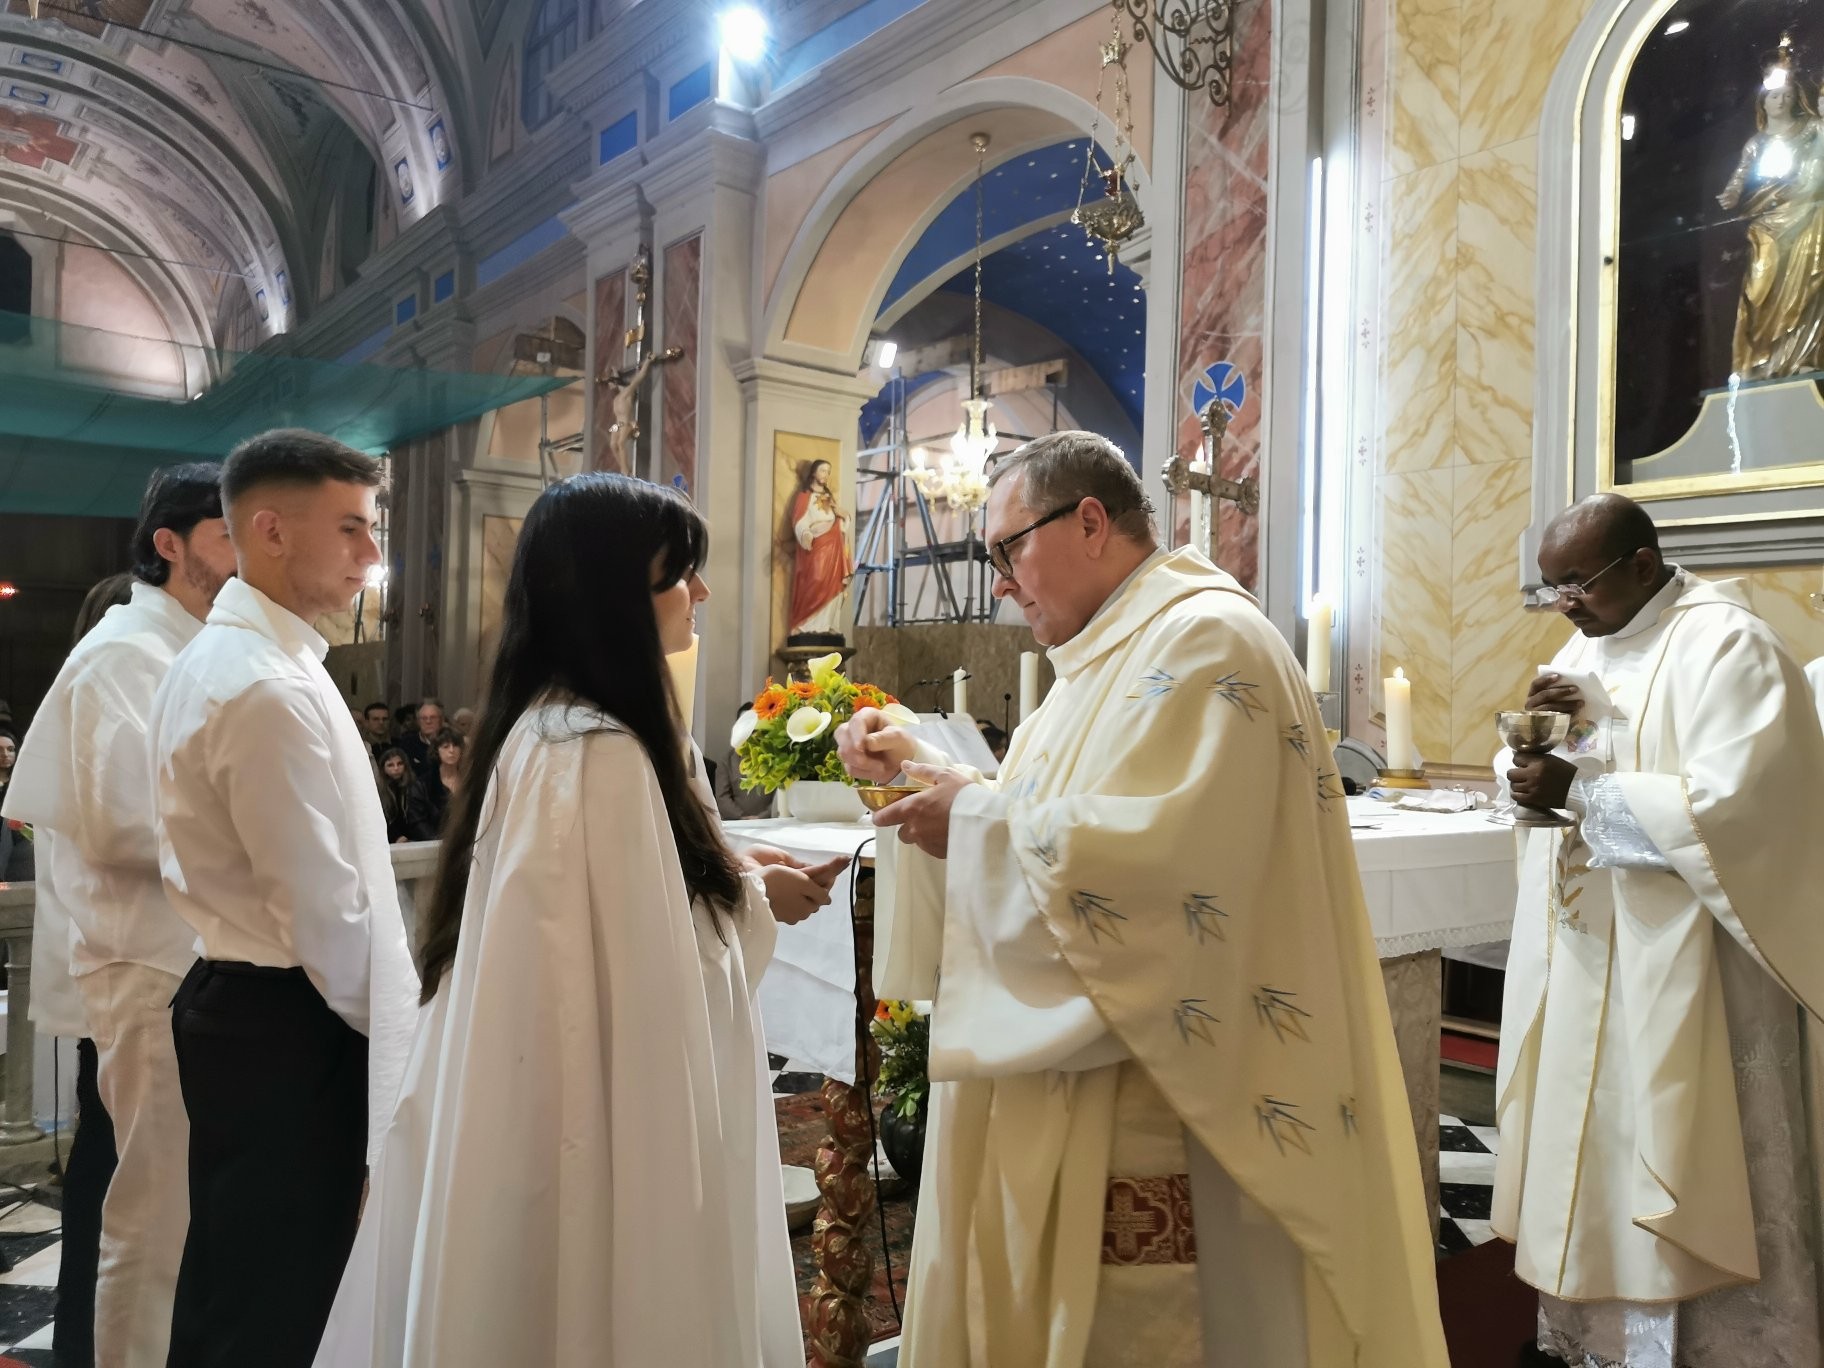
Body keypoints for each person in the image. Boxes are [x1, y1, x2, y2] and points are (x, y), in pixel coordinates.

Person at [834, 432, 1446, 1367]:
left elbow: (1179, 870)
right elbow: (1056, 810)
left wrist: (983, 822)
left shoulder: (1208, 640)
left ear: (1089, 521)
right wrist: (928, 774)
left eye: (1008, 549)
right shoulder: (1104, 658)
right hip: (1073, 1093)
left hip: (1157, 1108)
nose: (1000, 581)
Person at [317, 473, 843, 1366]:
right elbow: (651, 983)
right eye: (681, 574)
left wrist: (737, 869)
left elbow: (623, 905)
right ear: (611, 600)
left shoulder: (554, 726)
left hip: (534, 1094)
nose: (704, 594)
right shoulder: (600, 752)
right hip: (601, 1117)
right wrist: (760, 904)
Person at [1496, 493, 1824, 1366]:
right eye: (1550, 586)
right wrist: (1540, 755)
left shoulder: (1730, 645)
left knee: (1683, 1147)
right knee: (1601, 1154)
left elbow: (1737, 811)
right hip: (1597, 955)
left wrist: (1576, 788)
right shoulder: (1591, 641)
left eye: (1577, 581)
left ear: (1643, 564)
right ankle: (1601, 1346)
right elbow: (1593, 760)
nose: (1564, 602)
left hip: (1694, 970)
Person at [147, 430, 419, 1368]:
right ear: (268, 530)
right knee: (276, 1294)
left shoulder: (266, 659)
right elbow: (323, 915)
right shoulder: (261, 682)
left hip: (260, 1008)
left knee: (241, 1271)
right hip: (286, 1018)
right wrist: (399, 1028)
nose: (371, 556)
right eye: (351, 529)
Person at [2, 464, 238, 1367]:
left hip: (198, 969)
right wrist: (269, 832)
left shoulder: (197, 646)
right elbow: (124, 822)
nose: (249, 553)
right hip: (149, 970)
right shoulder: (121, 654)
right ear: (168, 544)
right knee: (145, 1220)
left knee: (175, 1210)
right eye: (225, 532)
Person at [32, 569, 132, 1368]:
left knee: (109, 1180)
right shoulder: (101, 701)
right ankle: (87, 1345)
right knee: (110, 1184)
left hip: (111, 984)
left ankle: (85, 1343)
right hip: (121, 983)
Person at [1716, 47, 1824, 379]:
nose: (1780, 101)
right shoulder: (1756, 143)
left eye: (1786, 95)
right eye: (1774, 95)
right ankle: (1756, 359)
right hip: (1768, 223)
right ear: (1762, 103)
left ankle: (1802, 354)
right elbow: (1740, 177)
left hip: (1808, 214)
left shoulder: (1812, 128)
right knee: (1758, 288)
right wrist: (1732, 193)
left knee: (1806, 286)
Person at [783, 458, 850, 641]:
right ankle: (807, 624)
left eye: (828, 471)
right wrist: (804, 533)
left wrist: (844, 517)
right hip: (816, 547)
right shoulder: (804, 496)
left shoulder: (829, 498)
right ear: (813, 473)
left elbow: (838, 520)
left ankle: (827, 625)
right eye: (822, 470)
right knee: (815, 580)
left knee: (833, 584)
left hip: (834, 547)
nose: (826, 475)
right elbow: (800, 519)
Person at [715, 703, 771, 821]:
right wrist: (742, 817)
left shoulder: (773, 757)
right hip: (737, 825)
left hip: (771, 822)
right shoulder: (726, 761)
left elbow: (781, 794)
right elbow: (722, 797)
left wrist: (763, 816)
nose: (750, 732)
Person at [376, 750, 438, 844]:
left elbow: (420, 815)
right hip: (389, 840)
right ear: (383, 768)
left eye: (400, 764)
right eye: (390, 765)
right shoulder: (378, 791)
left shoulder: (415, 786)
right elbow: (381, 819)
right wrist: (396, 836)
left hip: (417, 837)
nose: (396, 768)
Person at [396, 699, 444, 783]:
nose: (428, 721)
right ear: (418, 721)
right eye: (424, 718)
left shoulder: (451, 743)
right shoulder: (407, 743)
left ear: (441, 720)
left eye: (433, 717)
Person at [424, 729, 463, 829]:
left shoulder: (470, 780)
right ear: (436, 750)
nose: (451, 750)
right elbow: (419, 823)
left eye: (455, 746)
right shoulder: (424, 784)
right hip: (434, 840)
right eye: (446, 747)